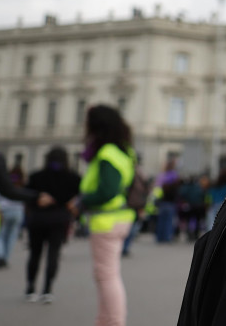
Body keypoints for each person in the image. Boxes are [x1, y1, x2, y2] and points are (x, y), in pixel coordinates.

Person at [77, 105, 138, 324]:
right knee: (107, 275)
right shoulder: (123, 151)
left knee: (107, 276)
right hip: (118, 217)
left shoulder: (107, 153)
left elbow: (107, 191)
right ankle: (106, 321)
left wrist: (82, 201)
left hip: (106, 219)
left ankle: (113, 321)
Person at [24, 146, 82, 303]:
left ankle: (30, 288)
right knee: (53, 254)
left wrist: (37, 199)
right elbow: (79, 198)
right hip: (59, 220)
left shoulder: (36, 176)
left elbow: (26, 195)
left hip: (38, 219)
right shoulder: (73, 178)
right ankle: (47, 290)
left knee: (35, 253)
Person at [0, 156, 27, 269]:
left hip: (4, 210)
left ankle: (1, 255)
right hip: (17, 211)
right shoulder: (21, 183)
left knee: (0, 235)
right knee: (11, 236)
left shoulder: (3, 181)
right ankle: (6, 257)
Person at [154, 158, 180, 244]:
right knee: (168, 222)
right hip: (170, 202)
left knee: (161, 221)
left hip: (162, 202)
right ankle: (167, 237)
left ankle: (159, 237)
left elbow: (156, 189)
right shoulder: (174, 176)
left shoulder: (162, 176)